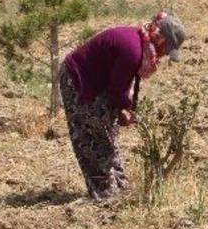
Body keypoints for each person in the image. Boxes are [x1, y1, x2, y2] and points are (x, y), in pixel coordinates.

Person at [59, 12, 186, 199]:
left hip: (97, 82)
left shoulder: (139, 44)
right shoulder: (133, 50)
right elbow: (117, 90)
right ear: (161, 40)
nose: (165, 55)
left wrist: (126, 107)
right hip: (79, 79)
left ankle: (118, 186)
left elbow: (122, 83)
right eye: (167, 50)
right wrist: (123, 109)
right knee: (93, 135)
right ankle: (105, 193)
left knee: (107, 132)